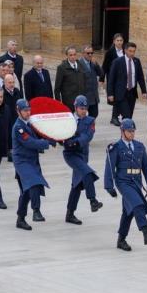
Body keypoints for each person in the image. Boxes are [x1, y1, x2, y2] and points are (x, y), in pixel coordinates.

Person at [104, 119, 147, 251]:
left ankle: (121, 240)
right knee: (137, 204)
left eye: (133, 131)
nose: (132, 134)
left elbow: (146, 166)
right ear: (122, 131)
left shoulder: (140, 146)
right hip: (123, 181)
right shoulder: (115, 148)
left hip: (136, 182)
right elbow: (110, 167)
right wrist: (109, 186)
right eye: (130, 131)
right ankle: (146, 232)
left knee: (128, 212)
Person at [63, 95, 103, 224]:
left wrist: (74, 142)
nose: (84, 110)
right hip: (71, 155)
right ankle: (93, 201)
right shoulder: (68, 119)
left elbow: (88, 136)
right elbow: (62, 133)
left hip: (82, 155)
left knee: (77, 184)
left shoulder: (90, 120)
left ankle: (70, 214)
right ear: (75, 107)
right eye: (81, 108)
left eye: (85, 108)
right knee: (87, 173)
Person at [12, 99, 52, 230]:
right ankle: (36, 211)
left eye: (29, 110)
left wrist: (52, 136)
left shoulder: (31, 124)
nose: (28, 113)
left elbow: (41, 133)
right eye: (25, 110)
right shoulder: (18, 127)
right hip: (22, 161)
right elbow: (30, 142)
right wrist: (46, 143)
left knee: (27, 191)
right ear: (18, 111)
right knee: (34, 183)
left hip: (32, 161)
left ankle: (20, 218)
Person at [106, 41, 145, 126]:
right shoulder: (117, 62)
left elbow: (140, 77)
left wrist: (144, 91)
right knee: (127, 115)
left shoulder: (136, 61)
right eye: (130, 51)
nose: (132, 53)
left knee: (129, 115)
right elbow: (111, 79)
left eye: (134, 51)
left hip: (132, 92)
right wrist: (110, 94)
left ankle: (124, 132)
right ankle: (127, 130)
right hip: (121, 93)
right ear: (125, 50)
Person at [53, 46, 86, 111]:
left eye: (74, 54)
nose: (73, 57)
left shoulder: (81, 65)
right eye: (70, 55)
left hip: (80, 101)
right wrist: (59, 102)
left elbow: (84, 82)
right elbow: (57, 88)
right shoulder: (61, 68)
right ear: (67, 55)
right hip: (69, 103)